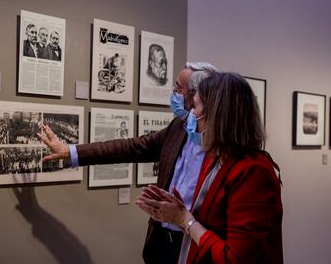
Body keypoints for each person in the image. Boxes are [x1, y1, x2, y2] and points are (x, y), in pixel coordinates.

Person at [38, 61, 218, 264]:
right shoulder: (179, 126)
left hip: (197, 247)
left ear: (196, 95)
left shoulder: (222, 145)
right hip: (162, 243)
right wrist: (70, 152)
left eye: (178, 87)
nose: (173, 92)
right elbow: (131, 147)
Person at [136, 72, 283, 263]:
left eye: (196, 106)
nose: (191, 113)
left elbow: (234, 259)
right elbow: (208, 223)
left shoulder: (254, 172)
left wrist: (184, 219)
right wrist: (172, 209)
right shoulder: (216, 159)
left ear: (217, 115)